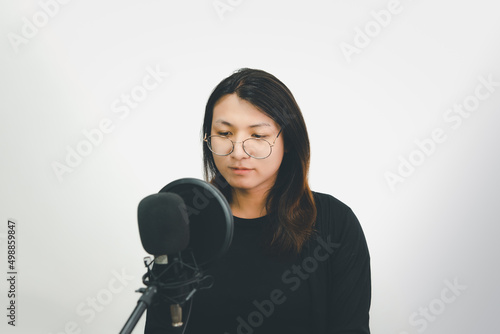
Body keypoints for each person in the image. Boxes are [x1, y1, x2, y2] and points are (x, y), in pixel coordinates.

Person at [145, 68, 371, 334]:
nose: (238, 151)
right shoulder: (186, 219)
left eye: (258, 136)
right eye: (225, 133)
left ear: (288, 140)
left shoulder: (334, 223)